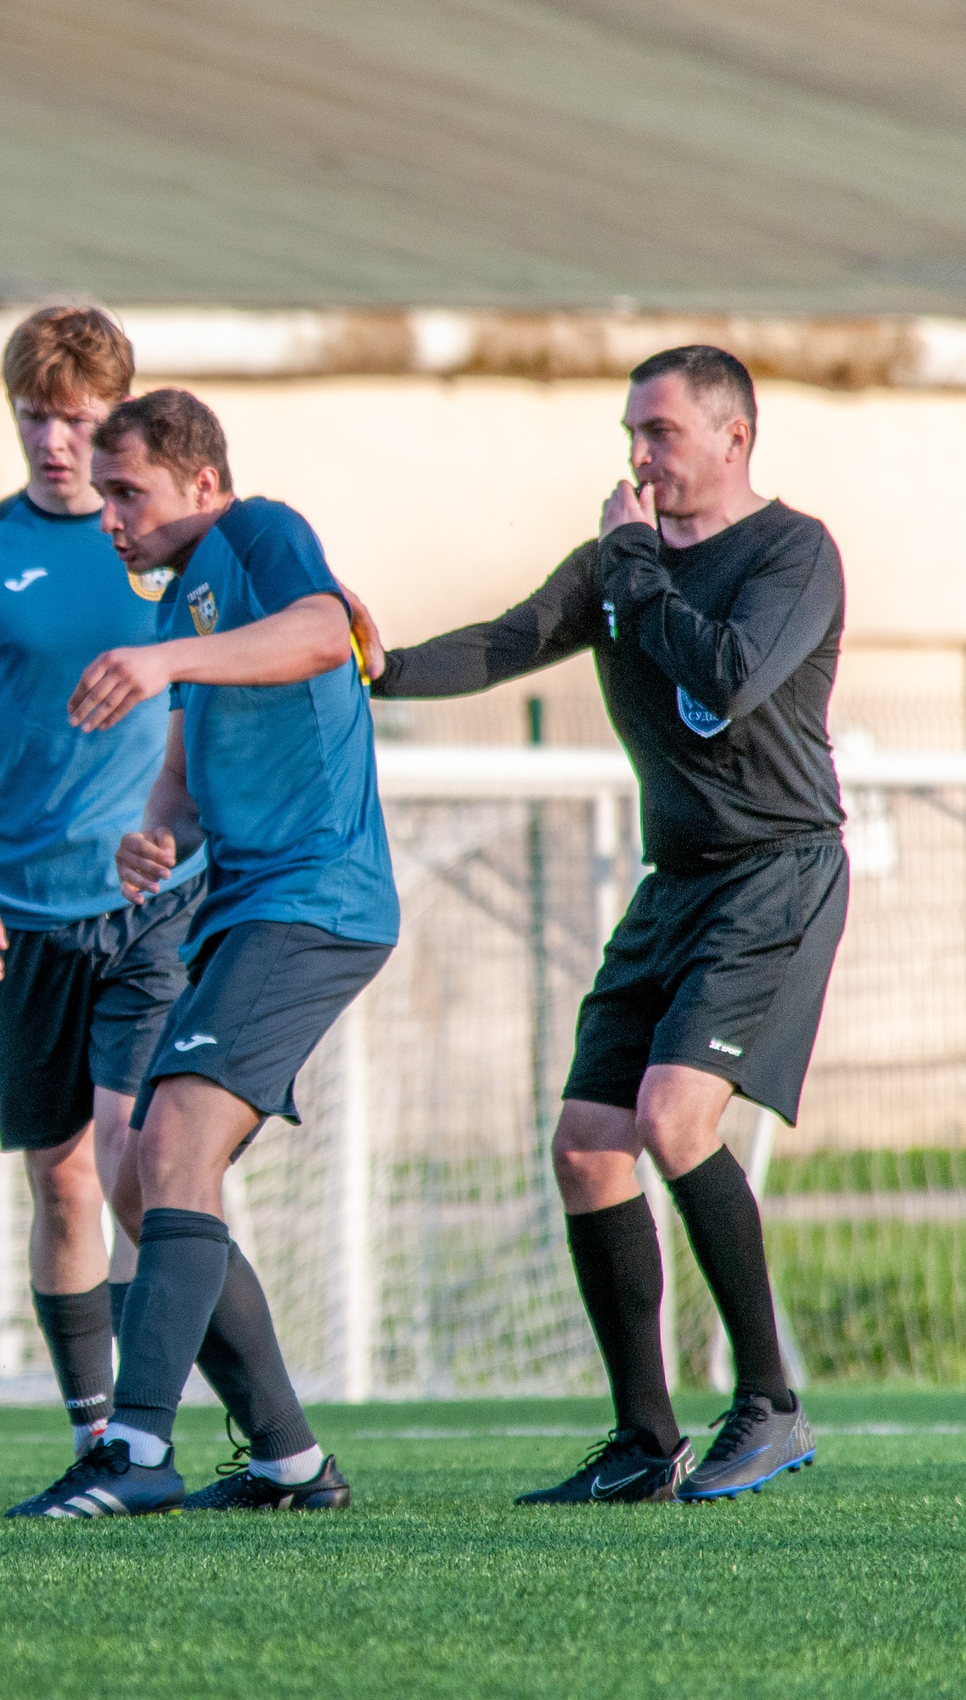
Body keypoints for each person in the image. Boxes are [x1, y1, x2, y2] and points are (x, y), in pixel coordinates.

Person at [353, 345, 833, 1505]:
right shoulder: (618, 561)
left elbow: (724, 676)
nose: (636, 456)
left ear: (734, 437)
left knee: (674, 1117)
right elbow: (509, 641)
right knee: (584, 1140)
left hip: (775, 873)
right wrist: (381, 666)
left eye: (659, 432)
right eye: (630, 431)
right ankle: (640, 1440)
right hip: (673, 880)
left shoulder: (791, 551)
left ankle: (769, 1399)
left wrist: (629, 561)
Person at [25, 387, 394, 1517]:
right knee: (141, 1175)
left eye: (126, 490)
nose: (109, 517)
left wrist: (171, 665)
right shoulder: (178, 606)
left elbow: (324, 629)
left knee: (173, 1137)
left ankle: (135, 1448)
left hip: (318, 898)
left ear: (201, 482)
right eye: (103, 497)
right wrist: (156, 832)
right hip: (241, 905)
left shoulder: (259, 531)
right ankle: (287, 1459)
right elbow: (186, 774)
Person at [0, 304, 223, 1510]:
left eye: (78, 419)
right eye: (35, 417)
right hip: (22, 908)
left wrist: (186, 824)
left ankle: (153, 1429)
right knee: (62, 1177)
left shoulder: (164, 544)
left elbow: (222, 681)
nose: (54, 441)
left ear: (118, 420)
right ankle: (98, 1431)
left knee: (140, 1154)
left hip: (156, 900)